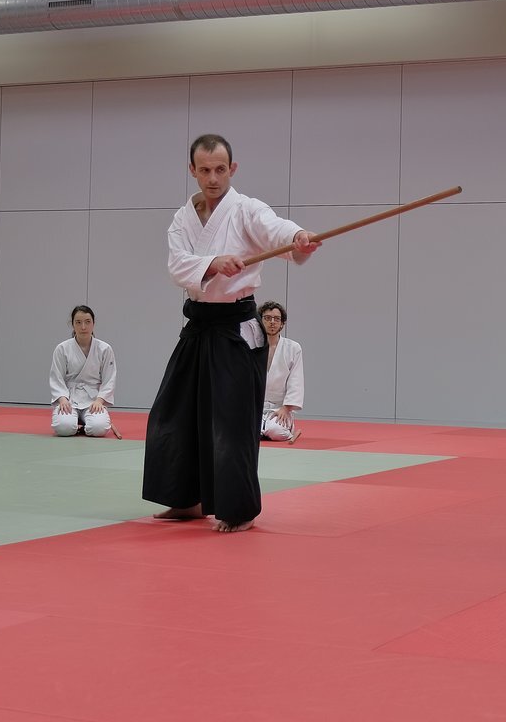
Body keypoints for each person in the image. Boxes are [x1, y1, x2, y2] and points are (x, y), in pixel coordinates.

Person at [142, 134, 320, 533]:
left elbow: (275, 229)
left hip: (236, 331)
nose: (212, 178)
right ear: (192, 170)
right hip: (198, 327)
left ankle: (237, 508)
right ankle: (188, 500)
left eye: (220, 169)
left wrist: (297, 238)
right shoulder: (182, 218)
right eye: (204, 170)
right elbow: (177, 266)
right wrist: (212, 263)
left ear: (232, 169)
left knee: (232, 424)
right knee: (172, 415)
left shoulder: (245, 209)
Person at [49, 305, 117, 437]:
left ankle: (88, 422)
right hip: (69, 398)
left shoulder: (104, 349)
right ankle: (73, 422)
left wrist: (100, 400)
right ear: (72, 324)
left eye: (87, 322)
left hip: (93, 399)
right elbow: (56, 377)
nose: (83, 327)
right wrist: (62, 399)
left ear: (93, 323)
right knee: (64, 428)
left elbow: (109, 378)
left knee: (99, 429)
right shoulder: (62, 348)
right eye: (78, 322)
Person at [258, 300, 304, 443]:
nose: (272, 322)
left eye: (276, 319)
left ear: (282, 323)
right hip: (255, 407)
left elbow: (296, 381)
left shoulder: (293, 348)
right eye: (267, 318)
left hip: (280, 408)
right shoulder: (252, 347)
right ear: (260, 321)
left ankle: (284, 427)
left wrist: (286, 408)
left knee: (276, 433)